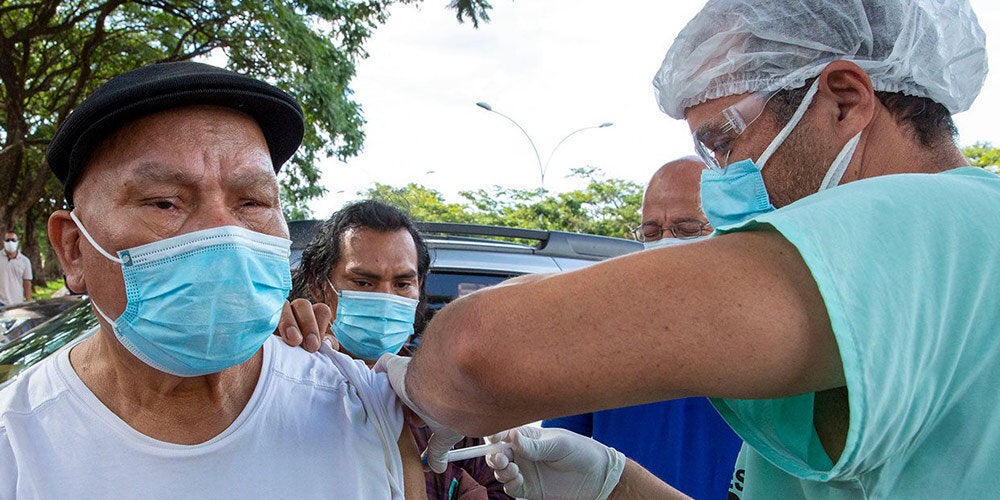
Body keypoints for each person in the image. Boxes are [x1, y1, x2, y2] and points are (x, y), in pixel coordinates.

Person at [375, 0, 1000, 497]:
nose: (718, 178)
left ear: (844, 99)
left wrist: (426, 377)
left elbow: (480, 350)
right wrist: (614, 484)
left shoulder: (938, 219)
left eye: (724, 143)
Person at [0, 61, 426, 498]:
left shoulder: (361, 410)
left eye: (253, 202)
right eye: (164, 202)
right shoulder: (15, 446)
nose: (226, 234)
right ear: (73, 248)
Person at [541, 157, 742, 499]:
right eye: (652, 233)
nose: (666, 242)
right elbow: (557, 450)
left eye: (687, 229)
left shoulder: (767, 328)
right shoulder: (598, 332)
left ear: (729, 226)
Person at [288, 199, 512, 500]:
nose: (387, 299)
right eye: (364, 283)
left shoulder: (438, 392)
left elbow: (496, 484)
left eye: (403, 284)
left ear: (419, 286)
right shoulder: (287, 379)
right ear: (319, 285)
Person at [0, 231, 32, 306]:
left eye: (13, 240)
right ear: (3, 242)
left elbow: (27, 282)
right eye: (8, 240)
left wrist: (28, 300)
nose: (10, 242)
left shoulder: (25, 261)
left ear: (17, 242)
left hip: (17, 302)